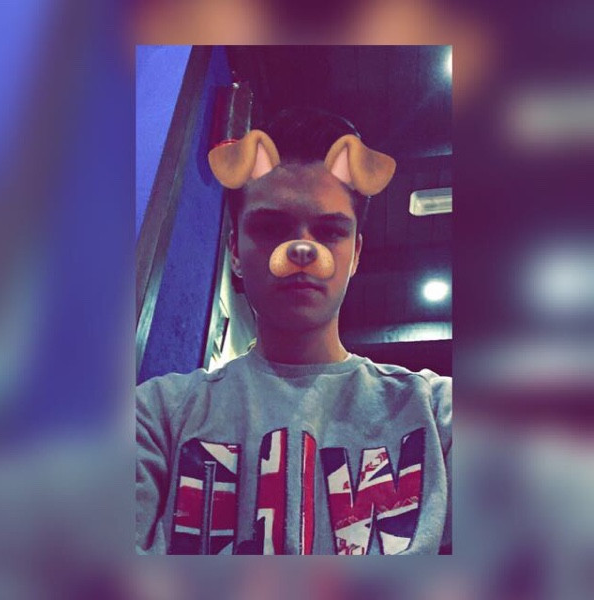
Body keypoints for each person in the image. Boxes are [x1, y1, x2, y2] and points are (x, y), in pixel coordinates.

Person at [136, 108, 451, 555]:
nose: (302, 248)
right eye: (270, 228)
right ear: (235, 251)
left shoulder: (436, 414)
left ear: (356, 254)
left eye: (329, 231)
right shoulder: (156, 417)